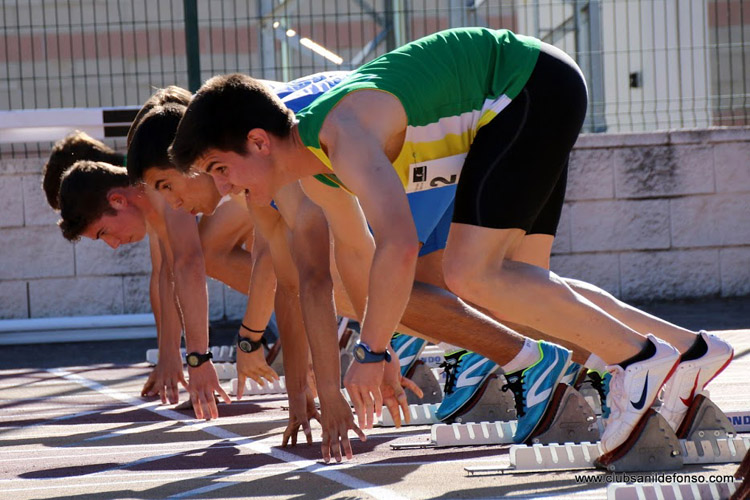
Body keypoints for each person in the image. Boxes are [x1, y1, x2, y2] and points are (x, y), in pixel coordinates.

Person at [170, 27, 733, 454]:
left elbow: (399, 245)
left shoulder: (337, 134)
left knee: (473, 274)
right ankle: (690, 351)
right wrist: (380, 347)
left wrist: (369, 351)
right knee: (527, 291)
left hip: (526, 87)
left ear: (258, 142)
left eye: (220, 169)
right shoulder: (317, 171)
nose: (223, 188)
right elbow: (358, 259)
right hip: (521, 95)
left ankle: (638, 361)